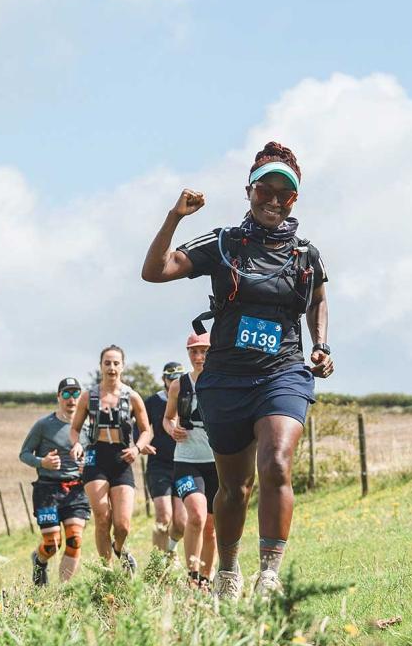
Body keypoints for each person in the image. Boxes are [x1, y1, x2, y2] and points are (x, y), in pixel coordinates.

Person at [141, 141, 334, 600]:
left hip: (282, 372)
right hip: (226, 379)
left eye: (283, 194)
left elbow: (319, 298)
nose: (272, 199)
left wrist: (322, 344)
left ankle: (270, 573)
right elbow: (154, 271)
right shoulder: (223, 243)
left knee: (277, 463)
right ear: (249, 191)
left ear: (294, 201)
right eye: (264, 189)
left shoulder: (306, 255)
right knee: (234, 488)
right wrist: (175, 217)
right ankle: (228, 570)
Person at [69, 345, 152, 575]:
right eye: (107, 363)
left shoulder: (132, 396)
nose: (112, 367)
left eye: (116, 363)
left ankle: (119, 548)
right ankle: (107, 572)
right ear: (101, 366)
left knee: (123, 524)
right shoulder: (89, 396)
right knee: (102, 517)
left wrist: (137, 449)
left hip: (122, 458)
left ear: (122, 366)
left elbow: (146, 431)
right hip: (96, 457)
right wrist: (76, 444)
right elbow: (75, 429)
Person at [19, 377, 91, 587]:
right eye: (66, 394)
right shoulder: (44, 425)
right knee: (52, 544)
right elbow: (23, 454)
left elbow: (95, 454)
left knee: (75, 540)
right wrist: (43, 462)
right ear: (58, 397)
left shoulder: (89, 426)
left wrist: (88, 465)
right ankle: (39, 560)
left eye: (76, 394)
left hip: (77, 490)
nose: (71, 399)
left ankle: (62, 591)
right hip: (47, 490)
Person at [163, 333, 216, 590]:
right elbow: (167, 418)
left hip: (217, 462)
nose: (198, 357)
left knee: (212, 528)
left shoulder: (221, 381)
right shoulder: (178, 385)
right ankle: (192, 576)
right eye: (193, 352)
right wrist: (172, 429)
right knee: (196, 515)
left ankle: (206, 580)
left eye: (203, 351)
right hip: (186, 460)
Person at [140, 362, 187, 553]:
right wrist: (141, 443)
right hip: (159, 463)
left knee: (181, 523)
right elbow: (139, 426)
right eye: (171, 378)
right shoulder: (153, 401)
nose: (175, 382)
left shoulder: (190, 397)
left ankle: (171, 549)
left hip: (185, 463)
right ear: (164, 380)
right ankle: (158, 565)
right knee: (163, 516)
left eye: (179, 378)